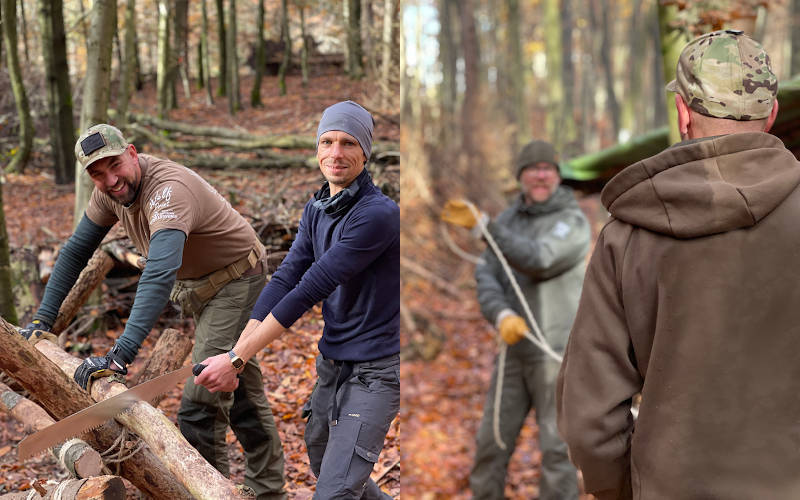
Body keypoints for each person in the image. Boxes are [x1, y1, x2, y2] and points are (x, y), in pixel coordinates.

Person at [555, 30, 798, 499]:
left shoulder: (627, 236)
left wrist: (618, 489)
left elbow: (589, 418)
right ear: (771, 114)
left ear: (683, 113)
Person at [18, 124, 286, 499]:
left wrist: (120, 355)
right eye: (97, 173)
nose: (111, 180)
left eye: (115, 165)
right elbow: (76, 251)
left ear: (131, 152)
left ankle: (210, 494)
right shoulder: (109, 194)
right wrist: (42, 320)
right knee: (238, 388)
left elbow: (160, 272)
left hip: (236, 281)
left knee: (201, 402)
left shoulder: (167, 190)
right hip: (200, 287)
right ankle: (269, 491)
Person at [194, 100, 399, 500]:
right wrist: (239, 351)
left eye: (347, 143)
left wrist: (237, 359)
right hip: (333, 364)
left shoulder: (377, 215)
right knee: (327, 467)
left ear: (365, 152)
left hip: (376, 371)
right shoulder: (318, 207)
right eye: (327, 142)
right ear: (317, 148)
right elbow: (287, 275)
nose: (336, 153)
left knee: (335, 492)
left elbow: (312, 286)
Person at [441, 140, 590, 500]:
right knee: (490, 445)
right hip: (513, 352)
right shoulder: (509, 220)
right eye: (532, 168)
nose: (540, 175)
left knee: (558, 452)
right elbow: (486, 276)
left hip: (556, 354)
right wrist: (502, 313)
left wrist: (484, 228)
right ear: (520, 176)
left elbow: (540, 259)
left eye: (547, 168)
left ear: (558, 176)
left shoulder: (571, 221)